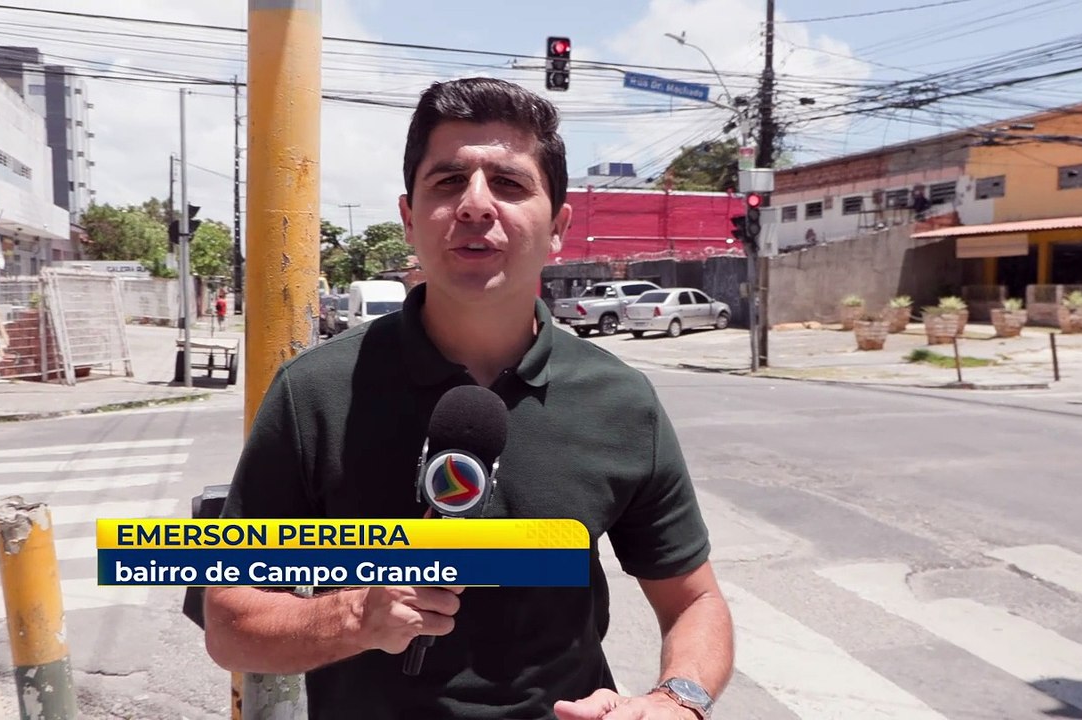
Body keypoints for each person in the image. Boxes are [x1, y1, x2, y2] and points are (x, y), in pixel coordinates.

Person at [203, 77, 733, 720]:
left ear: (559, 226)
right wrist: (351, 616)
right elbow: (230, 623)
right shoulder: (314, 392)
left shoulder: (622, 402)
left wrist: (679, 700)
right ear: (408, 217)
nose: (476, 205)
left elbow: (694, 601)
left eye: (509, 184)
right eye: (449, 181)